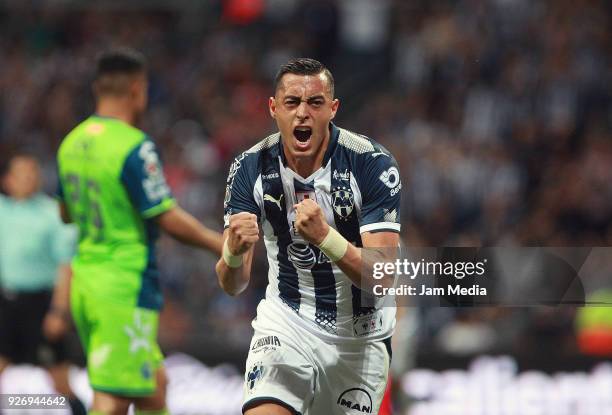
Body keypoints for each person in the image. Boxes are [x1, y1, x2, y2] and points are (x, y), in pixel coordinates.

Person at [217, 58, 401, 414]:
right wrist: (234, 254)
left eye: (315, 103)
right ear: (273, 108)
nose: (303, 113)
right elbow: (232, 284)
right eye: (292, 102)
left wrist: (325, 237)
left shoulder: (372, 163)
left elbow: (382, 277)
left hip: (359, 338)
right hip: (287, 324)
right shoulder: (249, 167)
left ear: (333, 109)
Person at [56, 48, 223, 415]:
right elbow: (164, 215)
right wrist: (217, 241)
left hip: (87, 281)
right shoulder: (133, 146)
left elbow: (66, 212)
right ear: (137, 89)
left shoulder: (71, 143)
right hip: (122, 284)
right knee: (113, 396)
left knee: (154, 387)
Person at [0, 154, 86, 414]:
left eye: (33, 172)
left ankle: (77, 411)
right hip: (6, 303)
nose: (29, 178)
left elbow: (66, 265)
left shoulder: (51, 214)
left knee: (61, 385)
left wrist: (59, 311)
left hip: (40, 305)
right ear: (8, 180)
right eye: (22, 173)